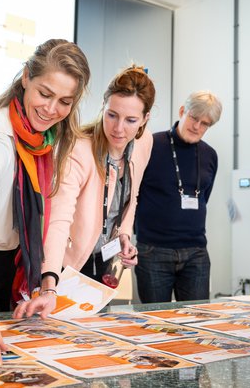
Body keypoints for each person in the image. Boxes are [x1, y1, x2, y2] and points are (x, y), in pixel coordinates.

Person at [0, 39, 90, 370]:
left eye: (65, 101)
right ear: (26, 77)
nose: (52, 109)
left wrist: (47, 284)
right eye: (45, 93)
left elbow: (51, 220)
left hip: (14, 262)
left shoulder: (52, 140)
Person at [13, 65, 155, 320]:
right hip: (68, 265)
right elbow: (59, 219)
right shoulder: (79, 149)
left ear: (145, 119)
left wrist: (124, 234)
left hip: (105, 260)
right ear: (103, 106)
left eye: (131, 120)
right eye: (112, 115)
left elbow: (131, 196)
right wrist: (49, 285)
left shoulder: (144, 143)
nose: (119, 128)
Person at [134, 91, 223, 303]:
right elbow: (132, 194)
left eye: (205, 124)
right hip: (153, 251)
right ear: (182, 111)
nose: (197, 127)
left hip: (196, 253)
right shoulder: (151, 145)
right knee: (156, 321)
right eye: (194, 118)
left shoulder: (209, 155)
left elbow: (204, 197)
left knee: (198, 319)